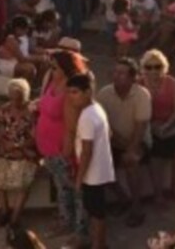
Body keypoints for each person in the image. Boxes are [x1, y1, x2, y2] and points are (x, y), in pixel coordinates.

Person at [36, 50, 89, 244]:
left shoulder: (70, 90)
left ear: (66, 69)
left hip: (63, 150)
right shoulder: (52, 82)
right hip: (49, 149)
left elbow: (71, 126)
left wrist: (67, 154)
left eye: (55, 67)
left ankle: (81, 231)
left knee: (76, 191)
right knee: (62, 188)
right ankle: (66, 221)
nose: (51, 70)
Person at [97, 57, 152, 227]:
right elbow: (102, 124)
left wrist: (130, 149)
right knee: (97, 166)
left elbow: (140, 127)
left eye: (122, 73)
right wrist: (116, 141)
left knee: (131, 161)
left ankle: (137, 208)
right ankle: (123, 199)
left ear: (132, 77)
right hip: (113, 140)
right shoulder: (104, 93)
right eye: (115, 72)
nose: (116, 75)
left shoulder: (142, 95)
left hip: (138, 140)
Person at [67, 73, 115, 249]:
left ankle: (98, 245)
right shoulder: (97, 108)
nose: (71, 97)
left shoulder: (87, 116)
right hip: (99, 170)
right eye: (69, 92)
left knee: (96, 212)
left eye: (75, 92)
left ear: (87, 92)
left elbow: (87, 151)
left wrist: (79, 180)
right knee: (97, 211)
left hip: (92, 174)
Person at [139, 49, 175, 201]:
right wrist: (152, 127)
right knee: (156, 152)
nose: (153, 70)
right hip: (147, 125)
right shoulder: (139, 84)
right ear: (144, 68)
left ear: (164, 67)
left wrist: (166, 126)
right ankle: (158, 193)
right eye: (149, 67)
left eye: (157, 66)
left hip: (168, 124)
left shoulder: (172, 83)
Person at [0, 78, 39, 230]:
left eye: (18, 98)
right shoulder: (4, 109)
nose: (15, 101)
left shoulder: (32, 112)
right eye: (12, 97)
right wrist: (2, 146)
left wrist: (18, 146)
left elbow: (36, 137)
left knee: (23, 182)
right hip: (6, 149)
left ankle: (15, 218)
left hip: (25, 150)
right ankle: (4, 211)